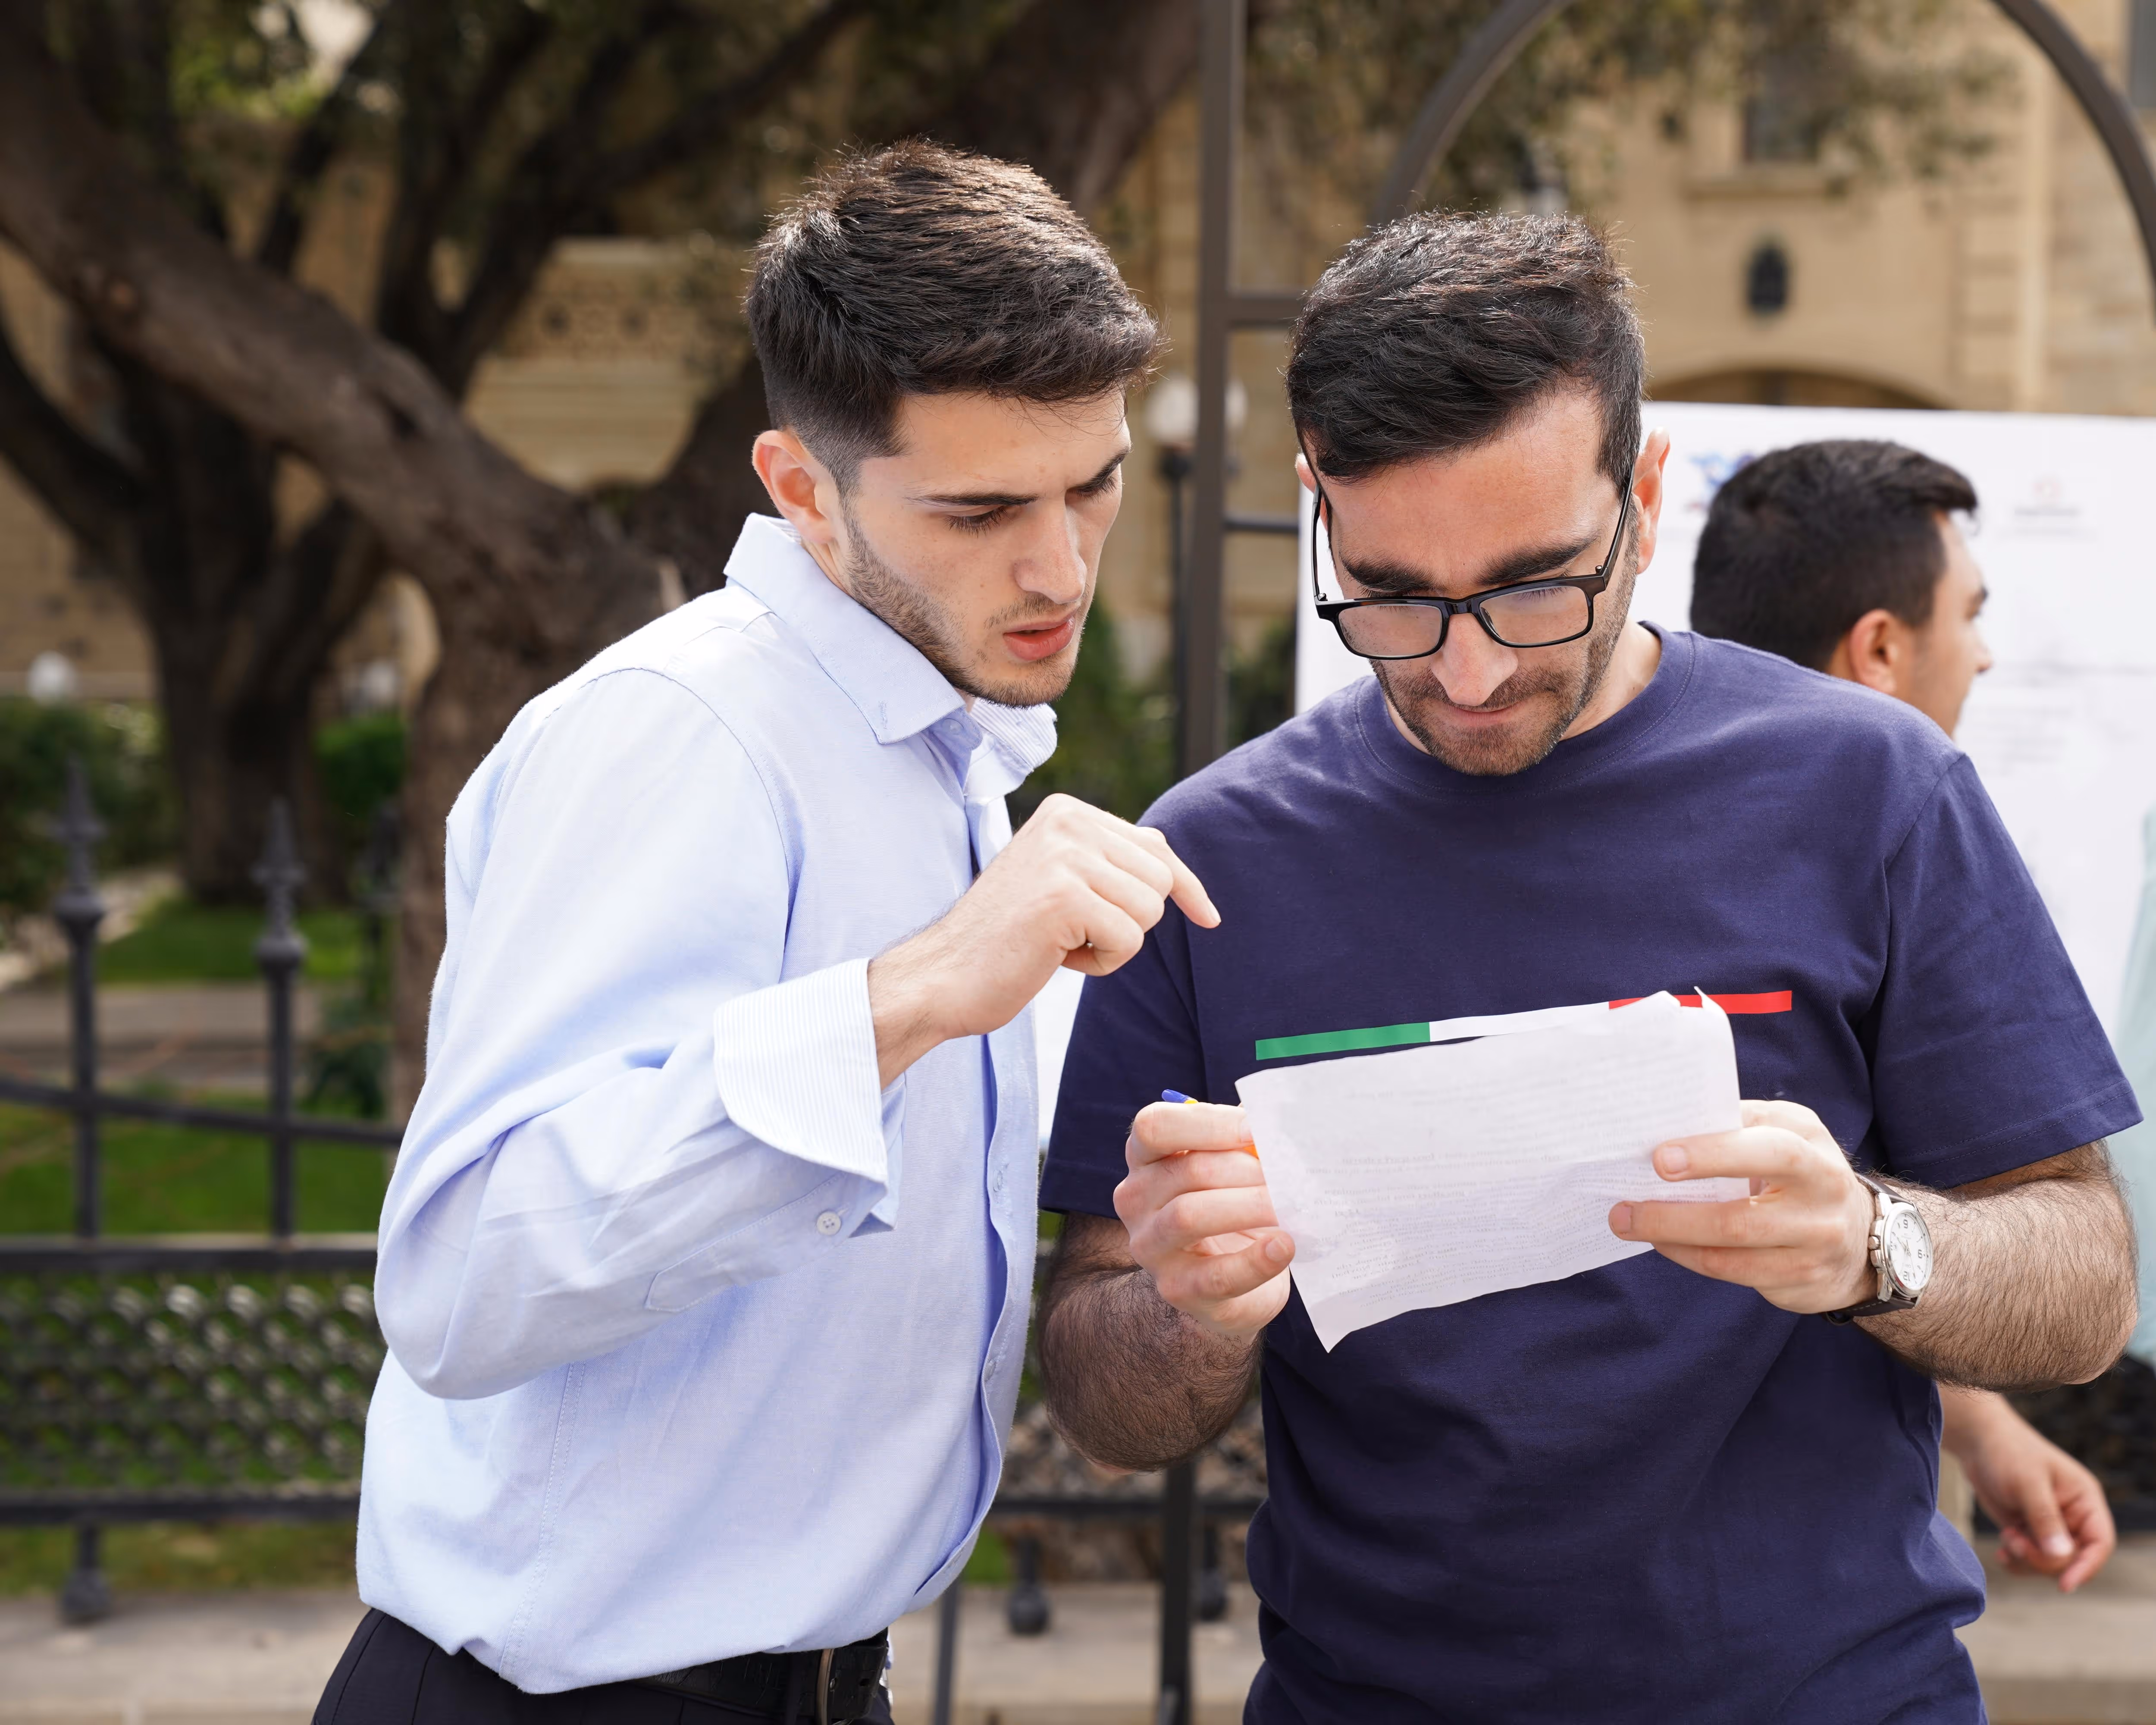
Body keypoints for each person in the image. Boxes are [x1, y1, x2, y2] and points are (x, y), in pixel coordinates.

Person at [1036, 213, 2140, 1724]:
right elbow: (1103, 1388)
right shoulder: (1211, 856)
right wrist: (1188, 1313)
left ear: (1647, 492)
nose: (1469, 670)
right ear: (1318, 504)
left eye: (1536, 586)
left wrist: (1876, 1247)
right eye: (1392, 594)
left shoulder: (1874, 791)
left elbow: (2084, 1274)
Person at [315, 144, 1218, 1725]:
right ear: (803, 489)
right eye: (981, 508)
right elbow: (458, 1284)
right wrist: (916, 995)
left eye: (1096, 482)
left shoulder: (946, 752)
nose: (1062, 566)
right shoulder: (682, 736)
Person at [1690, 437, 2118, 1594]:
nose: (1982, 655)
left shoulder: (1887, 835)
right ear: (1880, 646)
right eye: (1969, 615)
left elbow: (1837, 1225)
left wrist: (1978, 1424)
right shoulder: (1905, 818)